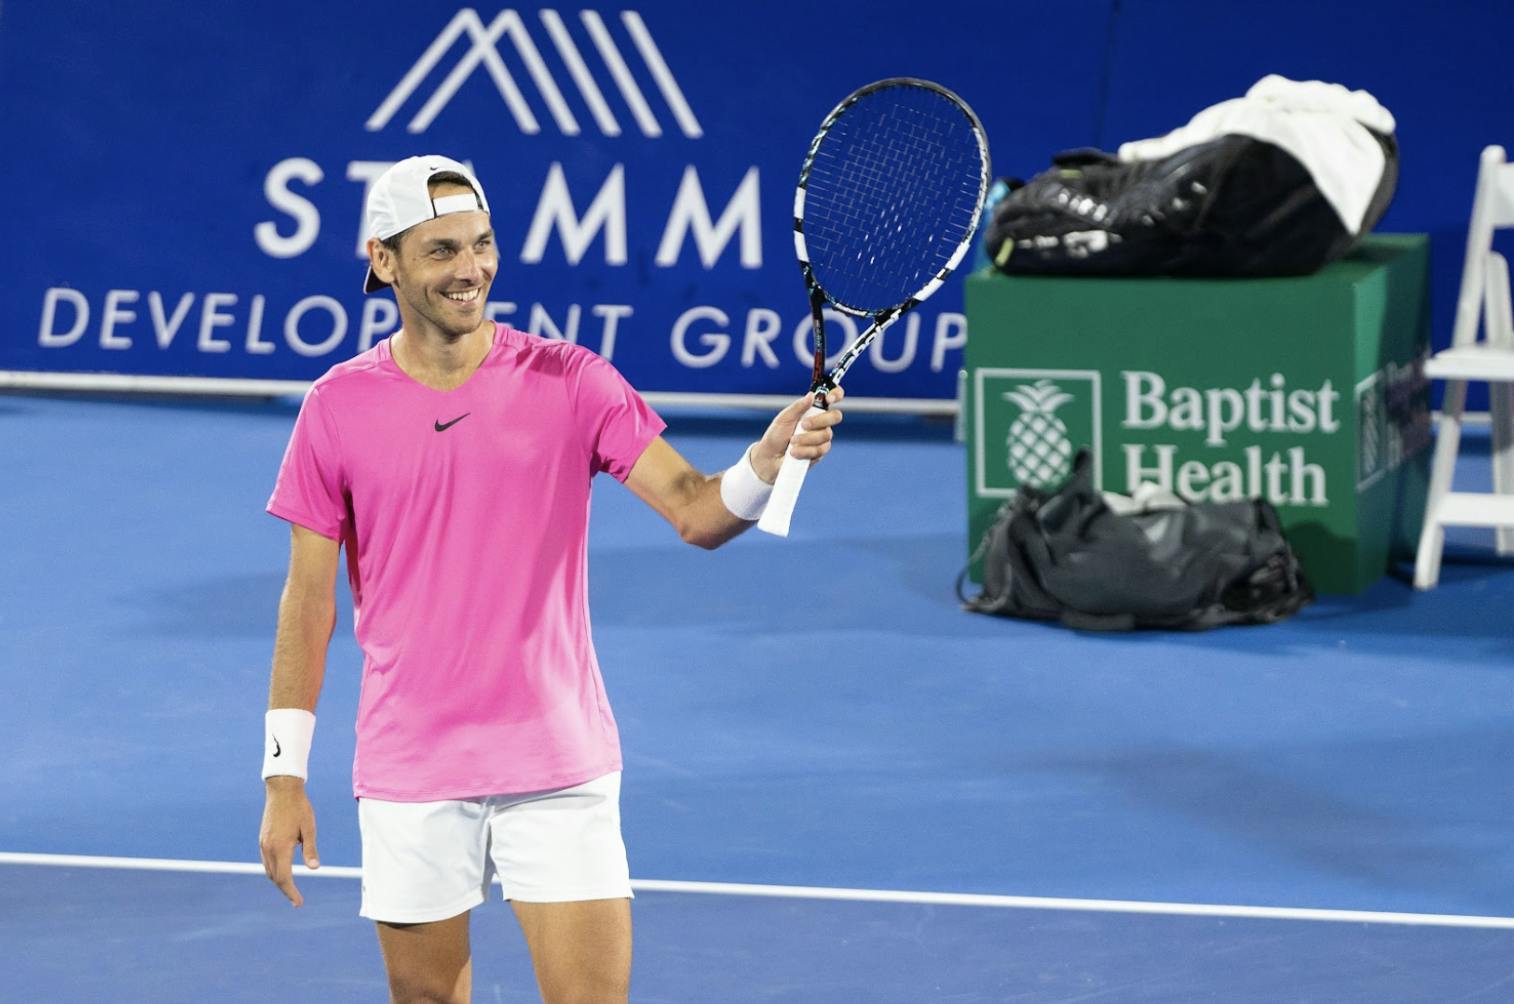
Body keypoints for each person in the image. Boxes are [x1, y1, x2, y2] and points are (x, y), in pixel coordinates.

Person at [256, 154, 842, 1004]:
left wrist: (763, 462)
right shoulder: (336, 407)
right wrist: (284, 775)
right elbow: (307, 603)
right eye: (442, 250)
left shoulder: (573, 381)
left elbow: (696, 513)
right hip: (412, 763)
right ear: (383, 261)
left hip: (556, 761)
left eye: (483, 245)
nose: (471, 270)